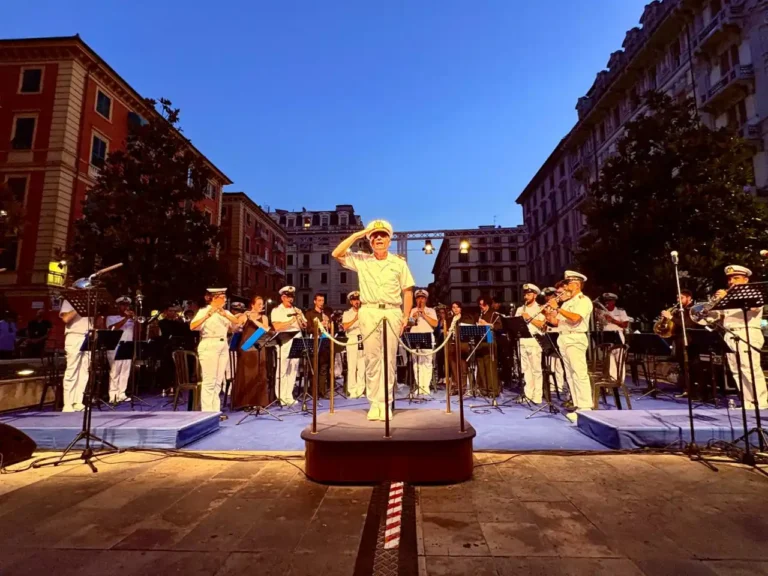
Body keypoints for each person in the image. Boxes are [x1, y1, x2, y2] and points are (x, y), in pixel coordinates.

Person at [332, 219, 415, 421]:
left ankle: (385, 403)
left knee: (388, 360)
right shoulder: (362, 260)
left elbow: (408, 291)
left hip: (391, 311)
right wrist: (358, 234)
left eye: (383, 235)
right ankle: (374, 403)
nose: (379, 238)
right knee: (371, 359)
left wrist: (405, 316)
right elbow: (337, 254)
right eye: (375, 236)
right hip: (368, 311)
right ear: (370, 240)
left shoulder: (398, 263)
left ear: (389, 240)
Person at [545, 271, 593, 422]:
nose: (566, 286)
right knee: (570, 374)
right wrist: (549, 313)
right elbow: (557, 322)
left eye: (569, 283)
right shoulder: (567, 302)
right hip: (564, 338)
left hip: (575, 337)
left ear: (577, 284)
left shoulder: (583, 300)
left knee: (579, 373)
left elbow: (575, 318)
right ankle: (577, 404)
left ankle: (585, 407)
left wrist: (558, 309)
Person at [717, 265, 767, 410]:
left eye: (735, 278)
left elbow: (754, 308)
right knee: (736, 370)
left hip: (747, 332)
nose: (731, 281)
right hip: (730, 334)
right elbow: (720, 317)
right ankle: (748, 402)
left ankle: (760, 401)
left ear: (746, 280)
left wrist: (727, 298)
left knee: (750, 368)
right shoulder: (727, 296)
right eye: (730, 279)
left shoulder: (753, 293)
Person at [190, 288, 241, 414]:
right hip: (209, 343)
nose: (225, 299)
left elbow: (237, 324)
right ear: (213, 298)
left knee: (218, 380)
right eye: (222, 297)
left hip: (223, 344)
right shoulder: (204, 311)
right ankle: (207, 412)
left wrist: (225, 315)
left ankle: (215, 410)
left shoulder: (226, 312)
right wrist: (208, 315)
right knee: (209, 380)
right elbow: (192, 326)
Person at [233, 295, 271, 410]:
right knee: (247, 374)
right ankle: (246, 402)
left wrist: (253, 319)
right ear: (252, 305)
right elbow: (236, 328)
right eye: (258, 304)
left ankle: (259, 401)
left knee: (260, 374)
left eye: (262, 304)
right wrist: (240, 320)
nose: (261, 306)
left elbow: (265, 329)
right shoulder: (245, 315)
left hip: (259, 347)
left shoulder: (263, 317)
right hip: (247, 347)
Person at [270, 285, 306, 407]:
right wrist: (291, 321)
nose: (290, 299)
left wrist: (301, 318)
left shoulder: (296, 310)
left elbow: (304, 326)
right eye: (288, 297)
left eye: (292, 297)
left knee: (293, 369)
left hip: (296, 341)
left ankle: (289, 395)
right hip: (284, 342)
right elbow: (277, 327)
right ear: (282, 297)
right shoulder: (276, 310)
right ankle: (280, 396)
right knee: (282, 370)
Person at [515, 284, 545, 404]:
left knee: (536, 369)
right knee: (526, 369)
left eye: (529, 294)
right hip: (522, 341)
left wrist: (530, 318)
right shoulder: (520, 309)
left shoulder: (540, 308)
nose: (526, 296)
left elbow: (542, 326)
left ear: (535, 295)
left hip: (535, 341)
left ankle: (537, 395)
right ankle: (528, 393)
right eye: (525, 294)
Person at [60, 298, 90, 412]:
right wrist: (80, 305)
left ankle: (78, 401)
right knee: (72, 370)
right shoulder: (70, 300)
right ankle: (67, 403)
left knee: (84, 371)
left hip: (88, 336)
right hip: (74, 335)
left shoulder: (92, 301)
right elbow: (66, 318)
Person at [408, 289, 438, 395]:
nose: (420, 300)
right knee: (416, 362)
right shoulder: (412, 310)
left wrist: (424, 315)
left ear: (426, 299)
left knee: (427, 362)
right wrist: (414, 318)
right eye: (418, 298)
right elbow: (408, 325)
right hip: (415, 336)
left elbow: (435, 324)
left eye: (422, 298)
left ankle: (426, 386)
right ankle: (419, 385)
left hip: (427, 336)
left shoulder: (431, 310)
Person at [106, 296, 135, 403]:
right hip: (115, 346)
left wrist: (135, 321)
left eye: (127, 305)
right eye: (123, 305)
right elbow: (111, 329)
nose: (125, 307)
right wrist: (126, 319)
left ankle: (122, 393)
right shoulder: (111, 317)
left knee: (125, 371)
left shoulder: (131, 318)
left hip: (128, 345)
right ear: (118, 306)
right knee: (115, 371)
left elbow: (138, 331)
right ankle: (113, 395)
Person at [599, 293, 631, 383]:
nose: (607, 303)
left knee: (619, 359)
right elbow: (601, 325)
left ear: (613, 301)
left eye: (609, 301)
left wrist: (612, 320)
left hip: (618, 335)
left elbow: (625, 324)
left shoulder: (620, 311)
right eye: (605, 301)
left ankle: (621, 381)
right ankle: (612, 380)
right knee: (610, 360)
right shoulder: (603, 312)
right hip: (607, 335)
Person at [305, 293, 331, 397]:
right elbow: (308, 329)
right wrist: (320, 326)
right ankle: (314, 392)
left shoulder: (325, 314)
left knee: (323, 368)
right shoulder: (310, 314)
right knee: (314, 368)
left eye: (322, 301)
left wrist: (328, 324)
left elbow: (331, 328)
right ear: (315, 301)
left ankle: (322, 391)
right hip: (314, 342)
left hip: (324, 342)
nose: (321, 303)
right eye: (319, 300)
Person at [476, 296, 501, 398]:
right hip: (480, 340)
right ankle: (484, 389)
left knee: (490, 365)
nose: (482, 307)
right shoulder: (480, 314)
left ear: (488, 304)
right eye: (480, 305)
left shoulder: (494, 314)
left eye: (484, 305)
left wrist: (487, 324)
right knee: (481, 365)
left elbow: (499, 326)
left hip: (490, 338)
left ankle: (492, 390)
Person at [342, 291, 366, 398]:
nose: (357, 302)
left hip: (363, 339)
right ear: (351, 302)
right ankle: (352, 390)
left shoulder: (364, 312)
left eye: (358, 300)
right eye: (355, 300)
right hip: (352, 339)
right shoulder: (347, 313)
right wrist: (355, 319)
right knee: (352, 366)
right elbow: (345, 327)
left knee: (362, 366)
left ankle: (360, 390)